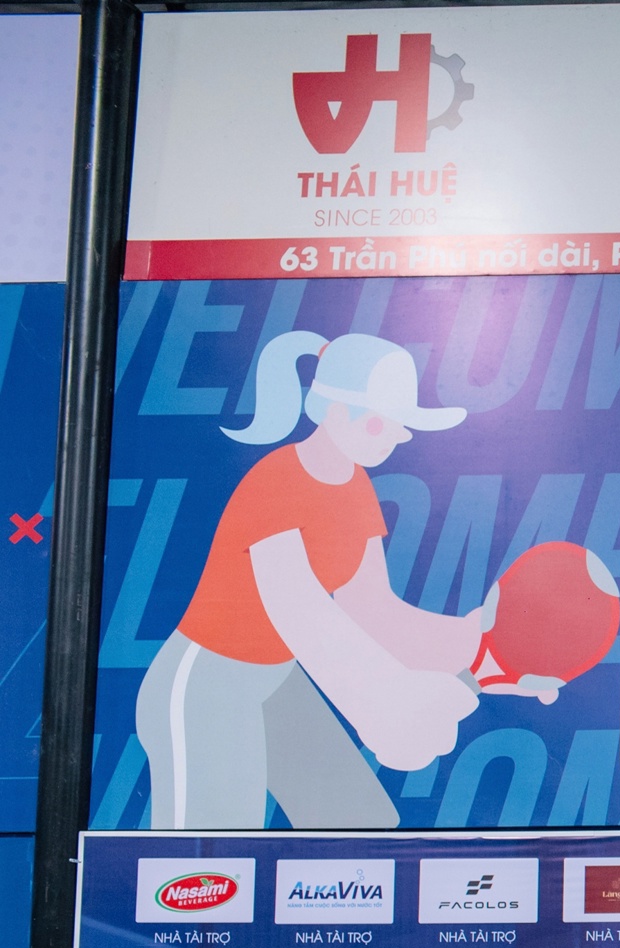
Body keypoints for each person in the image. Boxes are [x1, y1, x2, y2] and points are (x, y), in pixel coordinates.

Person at [135, 332, 530, 829]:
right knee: (214, 852)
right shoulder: (276, 481)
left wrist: (483, 645)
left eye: (399, 428)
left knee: (359, 822)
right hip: (203, 687)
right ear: (334, 411)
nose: (391, 439)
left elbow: (375, 612)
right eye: (378, 423)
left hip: (275, 678)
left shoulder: (355, 485)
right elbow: (302, 615)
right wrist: (386, 708)